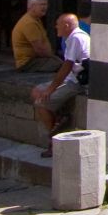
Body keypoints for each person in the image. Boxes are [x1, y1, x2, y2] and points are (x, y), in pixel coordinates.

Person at [31, 13, 90, 158]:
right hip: (70, 78)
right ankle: (58, 121)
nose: (55, 26)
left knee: (41, 104)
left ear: (67, 25)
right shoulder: (70, 38)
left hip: (77, 82)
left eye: (58, 24)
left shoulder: (76, 38)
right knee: (36, 91)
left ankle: (54, 141)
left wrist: (50, 90)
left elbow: (67, 67)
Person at [12, 0, 59, 71]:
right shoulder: (29, 23)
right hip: (28, 63)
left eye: (46, 4)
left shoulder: (36, 20)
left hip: (36, 60)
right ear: (32, 6)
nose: (45, 7)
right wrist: (54, 57)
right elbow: (40, 50)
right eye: (42, 4)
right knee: (62, 66)